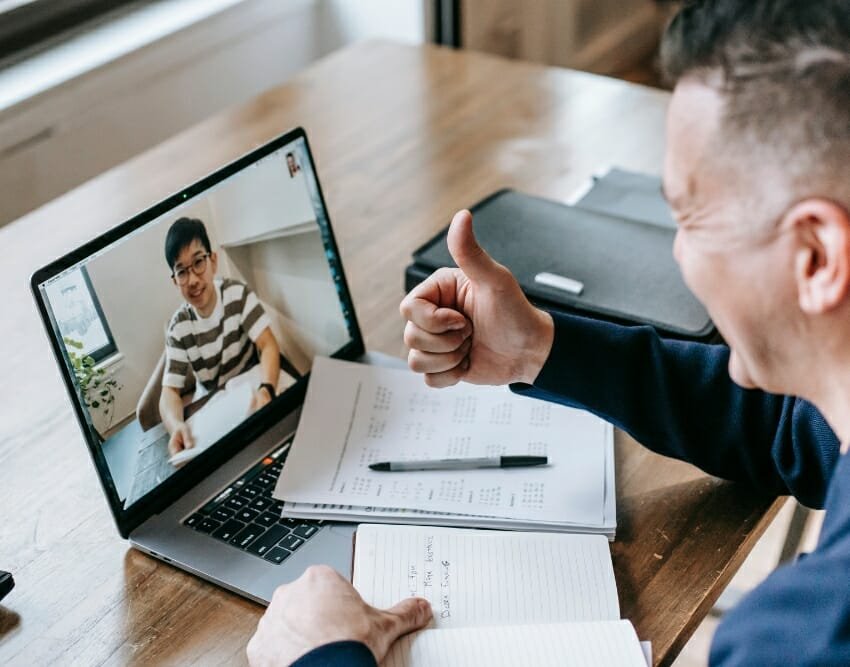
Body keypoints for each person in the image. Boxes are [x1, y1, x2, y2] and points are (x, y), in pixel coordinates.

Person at [248, 1, 850, 665]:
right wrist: (538, 347)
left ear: (817, 257)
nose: (678, 254)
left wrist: (321, 657)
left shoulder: (803, 640)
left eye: (692, 218)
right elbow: (792, 427)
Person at [160, 217, 281, 457]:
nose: (193, 279)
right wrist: (176, 426)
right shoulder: (178, 327)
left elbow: (268, 345)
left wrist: (267, 388)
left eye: (198, 263)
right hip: (211, 405)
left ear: (213, 261)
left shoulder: (238, 294)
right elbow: (169, 392)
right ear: (175, 281)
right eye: (182, 271)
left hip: (250, 388)